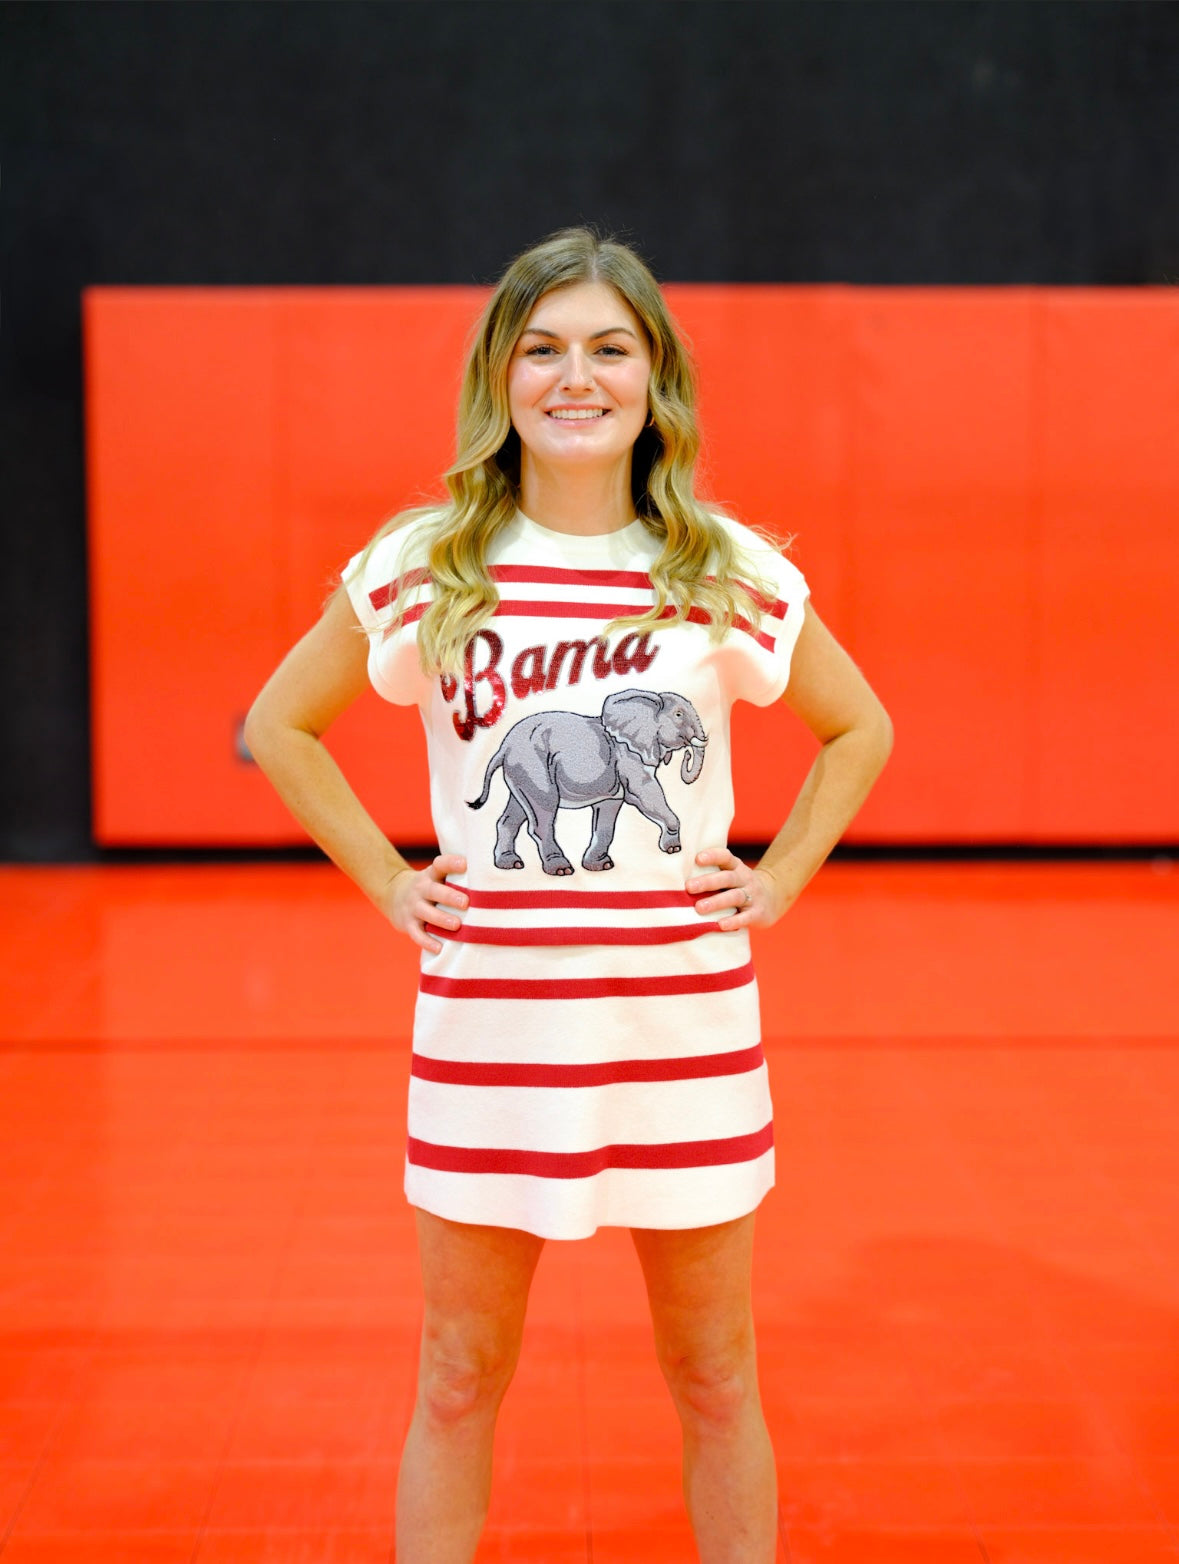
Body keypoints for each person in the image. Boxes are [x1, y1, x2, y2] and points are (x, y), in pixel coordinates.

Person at [245, 227, 892, 1564]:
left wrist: (777, 879)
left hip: (685, 1040)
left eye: (610, 347)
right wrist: (386, 879)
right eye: (542, 348)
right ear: (501, 376)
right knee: (457, 1376)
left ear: (657, 377)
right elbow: (278, 725)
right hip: (490, 1040)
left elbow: (862, 727)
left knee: (716, 1380)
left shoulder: (720, 567)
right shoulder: (427, 563)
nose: (575, 377)